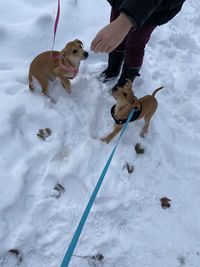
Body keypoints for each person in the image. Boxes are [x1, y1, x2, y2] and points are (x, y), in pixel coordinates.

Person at [90, 0, 185, 89]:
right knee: (117, 40)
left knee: (134, 46)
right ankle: (112, 71)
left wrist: (125, 20)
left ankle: (124, 86)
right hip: (120, 1)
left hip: (153, 9)